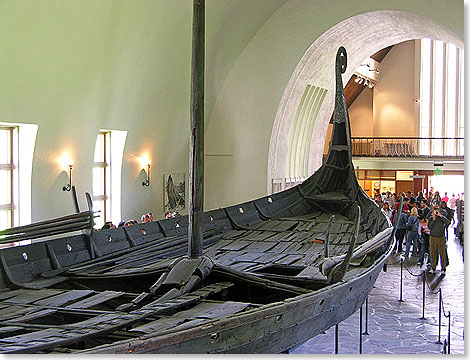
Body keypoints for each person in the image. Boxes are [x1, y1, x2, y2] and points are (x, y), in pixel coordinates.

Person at [428, 208, 450, 273]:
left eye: (436, 212)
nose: (435, 213)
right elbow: (430, 227)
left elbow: (448, 222)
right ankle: (433, 267)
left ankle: (443, 268)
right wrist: (433, 219)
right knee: (432, 253)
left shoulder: (441, 218)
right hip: (432, 237)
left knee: (442, 253)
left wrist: (441, 216)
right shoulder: (431, 218)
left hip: (440, 237)